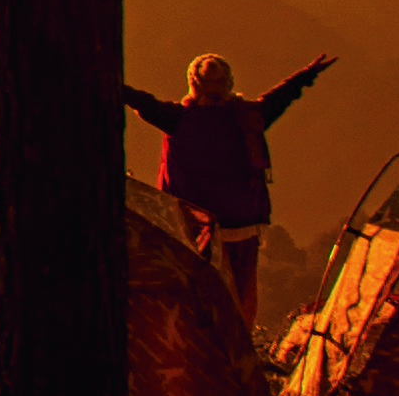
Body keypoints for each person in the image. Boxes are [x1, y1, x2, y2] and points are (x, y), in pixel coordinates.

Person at [121, 50, 335, 320]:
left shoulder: (177, 119)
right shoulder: (248, 118)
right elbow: (279, 98)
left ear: (193, 84)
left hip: (195, 228)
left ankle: (201, 350)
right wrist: (307, 75)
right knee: (241, 296)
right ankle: (239, 350)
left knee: (196, 294)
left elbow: (141, 101)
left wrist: (111, 83)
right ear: (230, 83)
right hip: (242, 225)